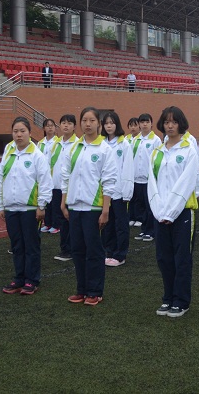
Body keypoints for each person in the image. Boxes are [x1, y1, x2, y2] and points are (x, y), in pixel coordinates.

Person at [148, 106, 199, 317]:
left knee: (182, 259)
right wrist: (160, 211)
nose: (170, 126)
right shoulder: (156, 152)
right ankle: (168, 298)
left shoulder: (189, 149)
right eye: (166, 122)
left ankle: (181, 300)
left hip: (182, 213)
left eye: (174, 122)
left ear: (181, 124)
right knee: (164, 258)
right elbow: (152, 184)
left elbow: (186, 183)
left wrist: (170, 212)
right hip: (160, 213)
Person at [60, 107, 117, 306]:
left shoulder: (105, 149)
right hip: (75, 206)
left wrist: (105, 209)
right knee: (77, 249)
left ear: (98, 124)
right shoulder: (74, 148)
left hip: (94, 208)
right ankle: (81, 289)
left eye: (92, 120)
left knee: (94, 250)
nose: (88, 123)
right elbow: (65, 176)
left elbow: (109, 181)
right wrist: (64, 202)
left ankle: (95, 291)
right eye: (84, 120)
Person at [0, 117, 53, 295]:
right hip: (11, 208)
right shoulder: (8, 151)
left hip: (30, 209)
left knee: (31, 245)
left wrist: (41, 205)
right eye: (15, 131)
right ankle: (19, 278)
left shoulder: (37, 155)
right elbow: (0, 179)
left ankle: (32, 280)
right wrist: (0, 204)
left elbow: (45, 182)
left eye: (22, 131)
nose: (19, 134)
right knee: (17, 245)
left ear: (29, 132)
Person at [102, 111, 135, 267]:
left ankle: (120, 255)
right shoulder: (101, 143)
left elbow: (128, 169)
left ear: (117, 124)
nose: (109, 126)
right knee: (107, 224)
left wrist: (127, 192)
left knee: (120, 225)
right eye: (106, 123)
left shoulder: (124, 144)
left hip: (120, 192)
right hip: (105, 192)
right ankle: (109, 251)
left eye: (112, 122)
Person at [49, 114, 78, 252]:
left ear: (74, 127)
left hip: (70, 189)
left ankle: (71, 248)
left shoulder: (77, 144)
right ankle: (64, 248)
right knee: (61, 218)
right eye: (63, 123)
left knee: (69, 220)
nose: (66, 125)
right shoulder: (55, 144)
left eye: (69, 123)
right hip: (56, 187)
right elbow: (49, 164)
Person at [131, 113, 162, 241]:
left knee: (150, 207)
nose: (144, 124)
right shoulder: (135, 140)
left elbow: (157, 160)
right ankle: (144, 230)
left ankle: (151, 231)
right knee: (140, 206)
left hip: (149, 180)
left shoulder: (156, 140)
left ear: (151, 124)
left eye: (147, 122)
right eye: (142, 122)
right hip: (136, 179)